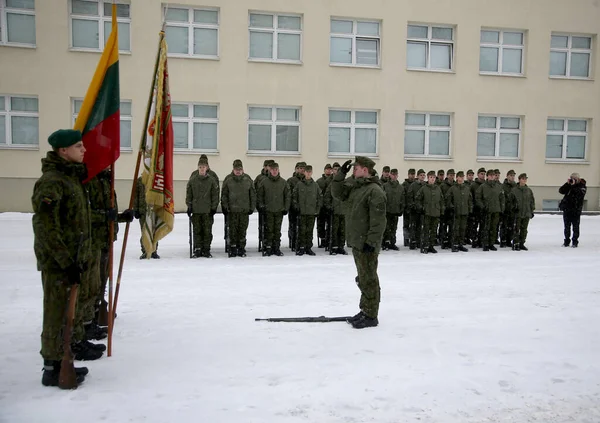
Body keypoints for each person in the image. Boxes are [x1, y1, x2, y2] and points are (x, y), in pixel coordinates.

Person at [32, 129, 92, 387]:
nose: (84, 150)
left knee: (68, 312)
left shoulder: (70, 179)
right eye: (78, 146)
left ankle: (61, 359)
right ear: (63, 151)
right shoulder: (52, 182)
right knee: (56, 313)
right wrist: (64, 261)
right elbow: (45, 227)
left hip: (71, 258)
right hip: (58, 262)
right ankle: (52, 367)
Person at [331, 157, 386, 329]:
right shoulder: (356, 186)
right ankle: (365, 310)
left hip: (366, 243)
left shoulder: (374, 191)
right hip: (357, 240)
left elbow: (378, 222)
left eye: (357, 168)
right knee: (363, 278)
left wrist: (371, 242)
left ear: (365, 170)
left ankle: (371, 315)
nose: (353, 170)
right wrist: (341, 174)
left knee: (369, 278)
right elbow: (337, 193)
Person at [85, 168, 134, 334]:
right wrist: (106, 216)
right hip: (93, 241)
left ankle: (97, 312)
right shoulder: (89, 181)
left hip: (107, 239)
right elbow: (85, 214)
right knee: (92, 283)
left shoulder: (106, 181)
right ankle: (88, 320)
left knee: (103, 280)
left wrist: (121, 217)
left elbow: (109, 211)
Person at [221, 159, 256, 257]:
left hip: (244, 211)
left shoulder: (248, 180)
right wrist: (225, 207)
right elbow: (224, 195)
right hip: (232, 211)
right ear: (233, 169)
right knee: (232, 230)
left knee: (242, 230)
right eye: (236, 169)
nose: (238, 171)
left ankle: (241, 248)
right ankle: (232, 248)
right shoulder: (228, 180)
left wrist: (251, 207)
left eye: (240, 169)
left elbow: (252, 195)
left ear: (243, 169)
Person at [186, 158, 219, 258]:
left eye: (203, 167)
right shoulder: (193, 180)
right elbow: (189, 195)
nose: (202, 169)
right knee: (197, 230)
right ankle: (197, 249)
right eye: (200, 167)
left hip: (207, 210)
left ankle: (206, 249)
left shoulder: (211, 181)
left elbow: (215, 196)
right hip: (196, 210)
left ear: (207, 168)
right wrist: (189, 206)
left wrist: (214, 208)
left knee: (207, 231)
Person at [257, 162, 290, 256]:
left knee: (277, 230)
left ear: (278, 170)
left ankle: (276, 248)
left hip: (279, 210)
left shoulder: (283, 182)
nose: (274, 171)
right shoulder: (264, 182)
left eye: (276, 170)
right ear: (269, 170)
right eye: (273, 170)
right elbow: (260, 196)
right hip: (268, 210)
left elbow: (287, 196)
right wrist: (261, 206)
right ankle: (268, 247)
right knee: (269, 230)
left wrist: (286, 208)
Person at [292, 165, 322, 256]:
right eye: (307, 172)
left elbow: (320, 198)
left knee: (309, 231)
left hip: (311, 212)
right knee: (301, 230)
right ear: (304, 173)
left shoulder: (315, 185)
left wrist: (317, 209)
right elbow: (294, 197)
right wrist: (296, 207)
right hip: (302, 212)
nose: (308, 173)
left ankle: (308, 247)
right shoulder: (299, 184)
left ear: (312, 172)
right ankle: (301, 247)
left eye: (310, 172)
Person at [416, 170, 444, 254]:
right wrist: (421, 208)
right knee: (426, 230)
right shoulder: (423, 188)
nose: (432, 179)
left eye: (434, 177)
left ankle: (431, 245)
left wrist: (441, 210)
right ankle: (425, 246)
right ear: (428, 178)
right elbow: (417, 199)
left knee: (434, 230)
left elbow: (441, 201)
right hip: (427, 212)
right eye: (431, 177)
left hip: (436, 212)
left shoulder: (438, 188)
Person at [476, 169, 505, 251]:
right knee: (486, 228)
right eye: (490, 175)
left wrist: (502, 209)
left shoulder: (498, 186)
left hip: (496, 210)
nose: (492, 176)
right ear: (487, 176)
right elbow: (478, 198)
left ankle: (491, 243)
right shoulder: (483, 186)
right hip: (487, 210)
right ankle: (485, 243)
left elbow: (502, 198)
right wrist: (482, 206)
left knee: (494, 228)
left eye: (493, 175)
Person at [133, 176, 160, 259]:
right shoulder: (139, 181)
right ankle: (145, 250)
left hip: (154, 210)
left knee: (154, 231)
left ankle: (154, 250)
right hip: (143, 211)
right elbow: (135, 196)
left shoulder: (157, 179)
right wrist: (136, 209)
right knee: (145, 231)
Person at [445, 171, 472, 252]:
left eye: (462, 177)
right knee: (455, 229)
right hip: (456, 212)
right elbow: (448, 199)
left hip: (464, 211)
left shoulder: (467, 188)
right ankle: (454, 244)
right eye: (460, 177)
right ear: (457, 178)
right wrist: (452, 207)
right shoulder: (453, 188)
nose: (461, 178)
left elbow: (470, 200)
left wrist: (470, 209)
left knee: (462, 228)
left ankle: (460, 244)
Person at [323, 164, 347, 255]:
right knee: (334, 230)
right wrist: (329, 207)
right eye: (335, 169)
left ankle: (341, 246)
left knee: (342, 230)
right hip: (335, 210)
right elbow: (327, 197)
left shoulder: (345, 183)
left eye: (339, 170)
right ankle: (334, 246)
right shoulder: (332, 184)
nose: (337, 171)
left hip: (343, 211)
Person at [559, 172, 587, 247]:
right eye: (571, 178)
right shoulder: (569, 185)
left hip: (576, 209)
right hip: (567, 209)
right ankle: (566, 241)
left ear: (578, 179)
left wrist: (573, 186)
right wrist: (567, 184)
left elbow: (580, 194)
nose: (572, 180)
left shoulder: (582, 185)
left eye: (574, 178)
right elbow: (561, 191)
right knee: (566, 226)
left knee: (575, 227)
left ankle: (575, 241)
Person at [510, 173, 535, 251]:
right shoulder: (514, 190)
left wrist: (532, 210)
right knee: (516, 229)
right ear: (519, 179)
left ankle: (522, 243)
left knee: (524, 229)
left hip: (526, 212)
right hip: (518, 213)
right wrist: (513, 208)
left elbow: (532, 201)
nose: (524, 180)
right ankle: (516, 243)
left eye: (525, 179)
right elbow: (510, 201)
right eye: (522, 179)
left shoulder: (528, 190)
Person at [382, 169, 405, 250]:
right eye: (393, 174)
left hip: (396, 210)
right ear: (390, 175)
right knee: (386, 228)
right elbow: (382, 198)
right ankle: (385, 242)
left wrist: (401, 209)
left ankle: (392, 242)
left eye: (396, 174)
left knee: (394, 228)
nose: (394, 176)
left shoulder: (400, 187)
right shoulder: (385, 186)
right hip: (387, 210)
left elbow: (402, 199)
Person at [287, 162, 306, 250]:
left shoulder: (308, 180)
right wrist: (293, 205)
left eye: (303, 168)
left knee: (304, 227)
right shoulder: (291, 180)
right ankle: (293, 242)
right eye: (299, 168)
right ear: (296, 169)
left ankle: (303, 243)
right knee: (293, 226)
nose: (301, 170)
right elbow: (289, 194)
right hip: (293, 208)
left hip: (304, 208)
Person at [407, 169, 426, 250]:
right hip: (414, 209)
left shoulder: (425, 185)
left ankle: (419, 241)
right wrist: (413, 206)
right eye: (421, 175)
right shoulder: (413, 185)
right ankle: (413, 241)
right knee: (413, 226)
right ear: (417, 176)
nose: (422, 177)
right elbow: (410, 197)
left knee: (421, 227)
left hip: (422, 210)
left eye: (423, 175)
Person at [316, 164, 333, 248]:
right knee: (321, 223)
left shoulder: (333, 180)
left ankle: (329, 239)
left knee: (330, 224)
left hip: (330, 206)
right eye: (327, 169)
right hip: (322, 206)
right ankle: (322, 239)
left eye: (330, 169)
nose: (328, 171)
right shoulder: (319, 181)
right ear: (324, 170)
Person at [469, 167, 486, 248]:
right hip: (475, 209)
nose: (483, 176)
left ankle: (481, 240)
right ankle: (474, 240)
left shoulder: (486, 185)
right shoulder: (473, 185)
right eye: (481, 174)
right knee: (474, 226)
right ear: (478, 174)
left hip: (484, 209)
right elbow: (470, 197)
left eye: (484, 174)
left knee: (483, 226)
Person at [439, 169, 455, 248]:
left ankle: (450, 241)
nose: (452, 177)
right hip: (445, 209)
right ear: (447, 175)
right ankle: (443, 241)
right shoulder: (442, 185)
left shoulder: (455, 185)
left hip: (453, 209)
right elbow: (441, 197)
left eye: (453, 175)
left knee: (452, 226)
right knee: (443, 226)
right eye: (450, 175)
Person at [500, 170, 517, 248]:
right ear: (507, 176)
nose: (512, 177)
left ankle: (509, 240)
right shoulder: (502, 186)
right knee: (504, 225)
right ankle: (503, 240)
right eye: (511, 175)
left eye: (513, 175)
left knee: (511, 226)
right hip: (505, 209)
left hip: (513, 209)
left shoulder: (516, 186)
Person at [401, 168, 416, 246]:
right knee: (406, 225)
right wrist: (404, 206)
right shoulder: (404, 184)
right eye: (411, 174)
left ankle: (414, 239)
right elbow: (403, 196)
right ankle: (406, 239)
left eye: (413, 174)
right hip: (407, 208)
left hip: (414, 208)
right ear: (408, 174)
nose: (412, 176)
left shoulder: (417, 184)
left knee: (414, 224)